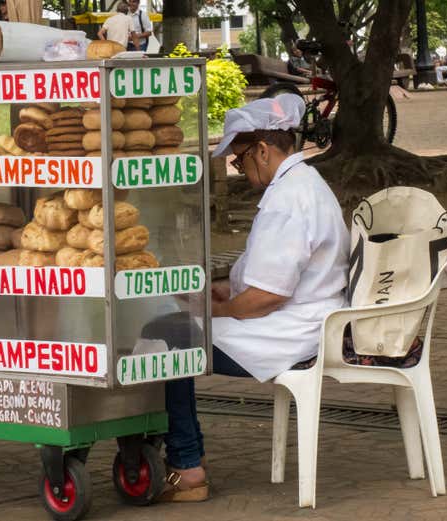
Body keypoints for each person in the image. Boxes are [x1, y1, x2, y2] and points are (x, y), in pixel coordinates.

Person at [142, 94, 350, 502]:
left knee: (164, 339)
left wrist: (220, 308)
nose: (239, 168)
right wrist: (228, 295)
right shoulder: (302, 183)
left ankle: (186, 468)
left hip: (288, 332)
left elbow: (266, 298)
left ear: (262, 149)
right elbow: (269, 278)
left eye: (239, 160)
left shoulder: (289, 199)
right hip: (301, 319)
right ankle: (181, 455)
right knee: (172, 329)